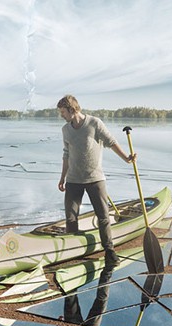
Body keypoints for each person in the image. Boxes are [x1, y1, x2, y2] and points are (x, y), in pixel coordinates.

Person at [57, 95, 135, 266]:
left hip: (95, 178)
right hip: (73, 180)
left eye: (63, 112)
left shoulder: (94, 123)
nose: (61, 115)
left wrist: (126, 158)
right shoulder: (65, 130)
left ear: (72, 109)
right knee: (71, 218)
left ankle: (109, 251)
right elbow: (66, 154)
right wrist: (62, 178)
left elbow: (111, 142)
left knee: (103, 217)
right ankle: (72, 252)